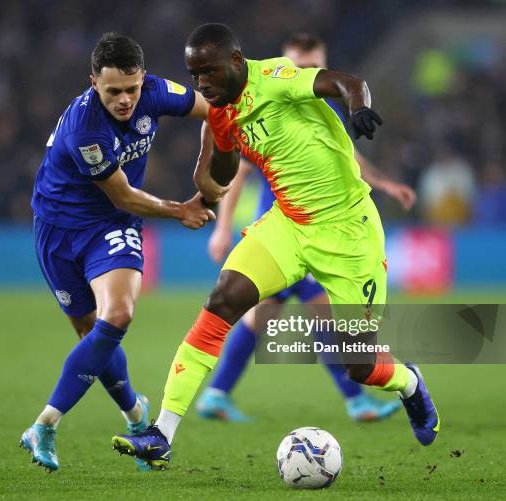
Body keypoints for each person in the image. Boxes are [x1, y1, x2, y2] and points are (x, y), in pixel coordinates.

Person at [112, 23, 439, 469]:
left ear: (235, 62)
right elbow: (223, 175)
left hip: (349, 232)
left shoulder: (278, 78)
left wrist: (359, 106)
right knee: (223, 299)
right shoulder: (223, 111)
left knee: (360, 364)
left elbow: (347, 82)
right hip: (287, 225)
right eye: (194, 76)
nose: (202, 83)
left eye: (208, 72)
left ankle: (410, 384)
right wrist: (216, 144)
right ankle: (161, 434)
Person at [19, 33, 216, 472]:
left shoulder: (157, 92)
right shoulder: (86, 130)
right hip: (59, 230)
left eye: (131, 89)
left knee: (119, 315)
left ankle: (45, 424)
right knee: (92, 335)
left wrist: (208, 165)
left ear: (143, 79)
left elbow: (215, 110)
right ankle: (135, 415)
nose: (125, 100)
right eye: (113, 92)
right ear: (93, 82)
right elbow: (123, 196)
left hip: (110, 229)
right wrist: (180, 209)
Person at [195, 33, 416, 423]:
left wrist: (384, 185)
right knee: (323, 319)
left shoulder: (323, 106)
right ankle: (356, 399)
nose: (308, 73)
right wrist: (221, 228)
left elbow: (353, 160)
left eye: (315, 66)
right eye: (301, 66)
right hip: (290, 230)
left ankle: (216, 393)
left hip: (315, 226)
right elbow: (236, 172)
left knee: (262, 319)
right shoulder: (271, 102)